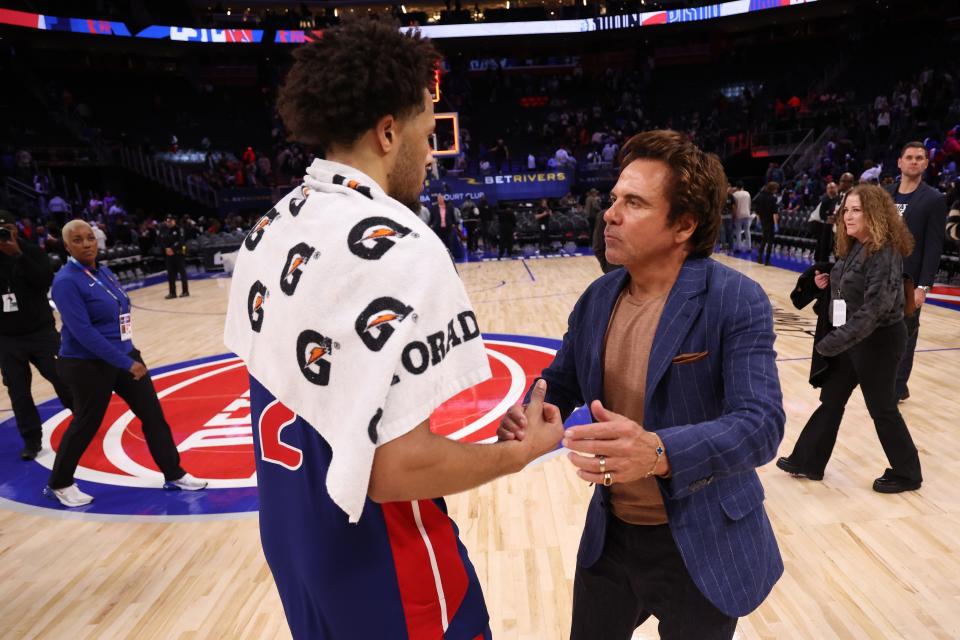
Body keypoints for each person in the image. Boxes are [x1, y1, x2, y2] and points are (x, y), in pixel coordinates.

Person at [223, 20, 563, 640]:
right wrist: (516, 454)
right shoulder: (402, 247)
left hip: (296, 533)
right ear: (387, 132)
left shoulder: (271, 225)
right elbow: (395, 470)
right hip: (387, 565)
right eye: (427, 134)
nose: (431, 154)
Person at [499, 130, 784, 639]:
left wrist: (656, 451)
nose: (609, 214)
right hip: (612, 537)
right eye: (613, 200)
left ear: (684, 225)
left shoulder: (735, 299)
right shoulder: (598, 297)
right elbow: (560, 383)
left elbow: (760, 425)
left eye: (633, 203)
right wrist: (529, 410)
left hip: (703, 541)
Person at [46, 220, 206, 507]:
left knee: (153, 415)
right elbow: (83, 333)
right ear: (67, 246)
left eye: (90, 238)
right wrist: (124, 360)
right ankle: (60, 483)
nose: (87, 244)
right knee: (87, 422)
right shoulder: (66, 281)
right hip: (86, 363)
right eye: (78, 240)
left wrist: (129, 354)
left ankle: (174, 473)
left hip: (124, 356)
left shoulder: (103, 271)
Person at [777, 184, 922, 492]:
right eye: (846, 210)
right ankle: (808, 461)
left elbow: (875, 309)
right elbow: (849, 292)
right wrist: (826, 283)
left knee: (882, 408)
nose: (848, 216)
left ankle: (908, 474)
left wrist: (832, 343)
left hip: (878, 341)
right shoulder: (857, 245)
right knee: (832, 399)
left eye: (857, 210)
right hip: (854, 337)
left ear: (875, 215)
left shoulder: (884, 252)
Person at [0, 209, 74, 460]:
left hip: (41, 332)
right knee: (18, 391)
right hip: (7, 338)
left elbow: (44, 282)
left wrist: (18, 255)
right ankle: (31, 441)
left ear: (15, 229)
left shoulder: (31, 251)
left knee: (61, 376)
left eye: (5, 229)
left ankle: (81, 413)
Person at [885, 142, 947, 402]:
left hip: (910, 279)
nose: (913, 161)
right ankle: (889, 381)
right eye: (908, 157)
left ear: (925, 163)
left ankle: (896, 388)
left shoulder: (934, 199)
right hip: (881, 276)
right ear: (899, 162)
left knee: (906, 334)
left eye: (919, 158)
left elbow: (934, 246)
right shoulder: (884, 195)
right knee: (882, 333)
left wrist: (924, 286)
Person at [160, 214, 190, 299]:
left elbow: (181, 241)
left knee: (182, 273)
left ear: (174, 221)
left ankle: (185, 291)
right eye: (167, 221)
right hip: (169, 255)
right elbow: (162, 241)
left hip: (178, 254)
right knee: (170, 274)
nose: (169, 223)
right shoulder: (164, 230)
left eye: (171, 221)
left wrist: (172, 249)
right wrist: (166, 249)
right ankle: (172, 293)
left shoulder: (179, 229)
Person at [812, 181, 840, 262]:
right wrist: (829, 218)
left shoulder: (839, 199)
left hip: (834, 225)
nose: (830, 190)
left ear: (837, 188)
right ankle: (820, 263)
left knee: (832, 246)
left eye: (832, 188)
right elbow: (822, 215)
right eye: (828, 188)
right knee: (823, 245)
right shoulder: (824, 200)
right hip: (821, 224)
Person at [753, 181, 780, 265]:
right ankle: (767, 261)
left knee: (764, 239)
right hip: (770, 222)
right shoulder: (773, 198)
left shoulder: (760, 196)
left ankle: (759, 258)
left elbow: (757, 210)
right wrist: (776, 224)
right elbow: (774, 213)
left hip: (762, 220)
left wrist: (758, 221)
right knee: (770, 242)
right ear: (774, 189)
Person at [731, 182, 752, 254]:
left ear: (736, 187)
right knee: (747, 231)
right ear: (743, 186)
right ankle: (749, 248)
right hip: (747, 213)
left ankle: (739, 248)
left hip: (738, 214)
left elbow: (734, 206)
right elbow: (749, 204)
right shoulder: (747, 193)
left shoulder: (734, 195)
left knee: (738, 231)